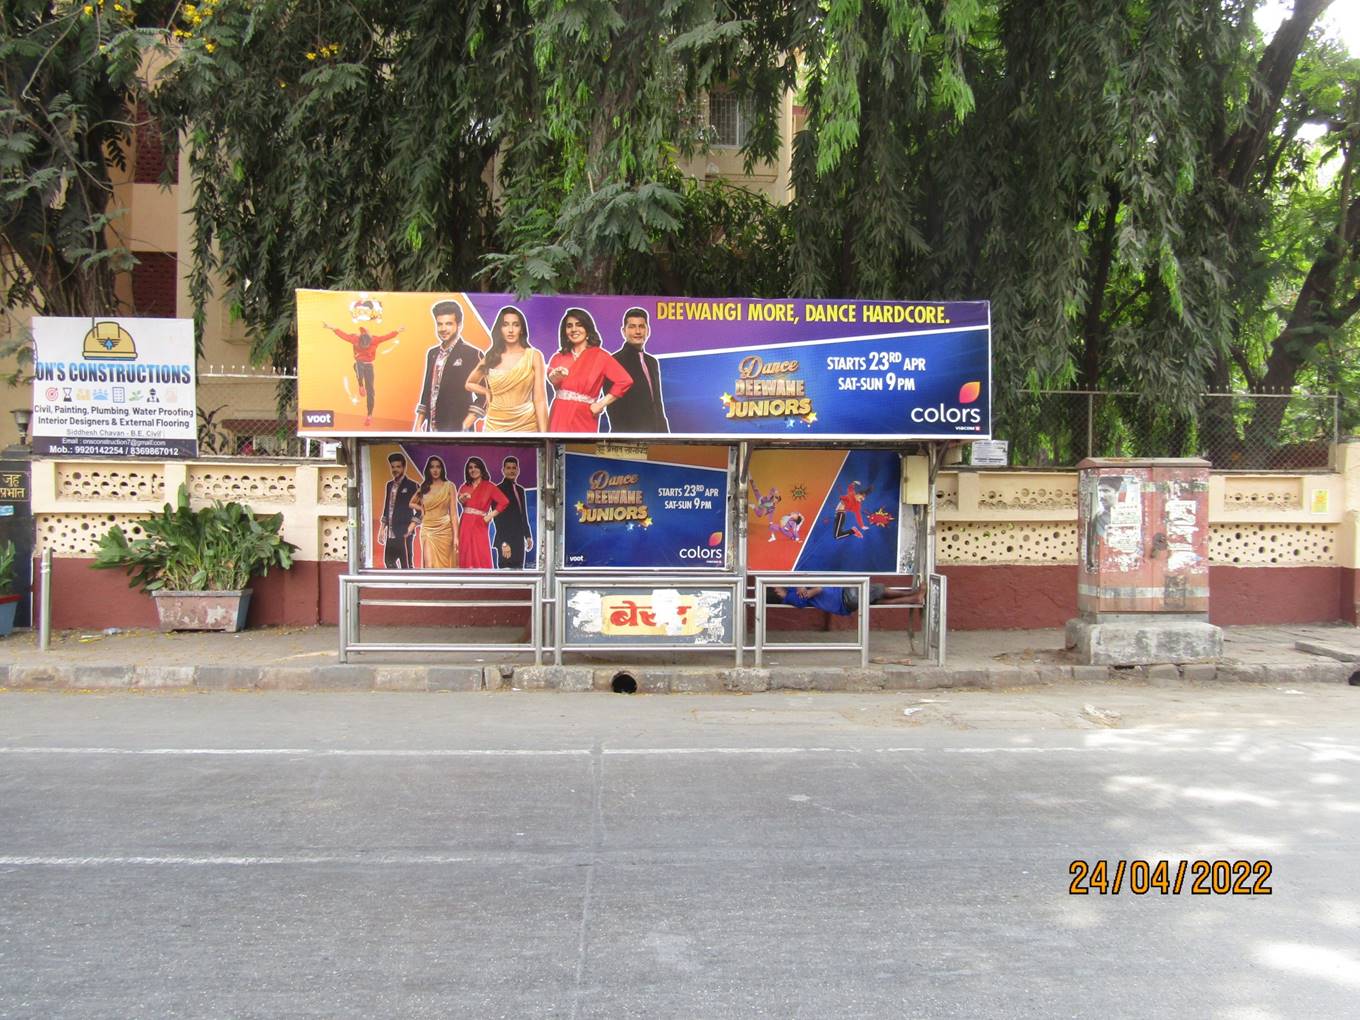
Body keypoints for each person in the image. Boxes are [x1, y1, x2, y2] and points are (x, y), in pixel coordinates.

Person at [546, 308, 633, 433]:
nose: (574, 329)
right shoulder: (558, 357)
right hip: (559, 413)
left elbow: (625, 381)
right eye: (569, 326)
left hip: (584, 415)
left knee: (582, 451)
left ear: (587, 329)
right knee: (557, 451)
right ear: (565, 331)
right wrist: (556, 375)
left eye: (579, 325)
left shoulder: (601, 356)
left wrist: (601, 404)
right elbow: (552, 379)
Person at [464, 306, 548, 433]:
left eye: (516, 325)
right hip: (495, 425)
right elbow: (469, 383)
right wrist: (486, 391)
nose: (510, 330)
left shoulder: (534, 356)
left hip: (526, 424)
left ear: (521, 329)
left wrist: (544, 436)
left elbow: (540, 399)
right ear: (499, 329)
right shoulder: (491, 357)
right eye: (505, 325)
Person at [413, 300, 484, 432]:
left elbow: (486, 394)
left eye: (449, 324)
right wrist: (418, 424)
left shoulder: (472, 354)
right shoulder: (433, 353)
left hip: (458, 431)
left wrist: (465, 424)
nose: (443, 329)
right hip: (432, 429)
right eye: (439, 324)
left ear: (459, 325)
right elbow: (427, 389)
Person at [322, 321, 405, 425]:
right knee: (357, 365)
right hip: (359, 363)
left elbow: (387, 336)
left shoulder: (375, 340)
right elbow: (342, 334)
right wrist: (330, 326)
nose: (364, 348)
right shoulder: (355, 339)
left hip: (369, 365)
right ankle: (361, 385)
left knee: (371, 391)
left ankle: (369, 415)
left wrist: (398, 331)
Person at [604, 307, 668, 433]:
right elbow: (613, 407)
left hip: (656, 435)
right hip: (630, 437)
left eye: (641, 326)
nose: (638, 331)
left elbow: (657, 403)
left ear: (648, 330)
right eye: (632, 326)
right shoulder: (614, 361)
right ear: (623, 331)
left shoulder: (652, 362)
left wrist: (665, 435)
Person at [457, 456, 510, 569]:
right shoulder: (464, 486)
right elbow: (461, 501)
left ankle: (483, 583)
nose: (473, 469)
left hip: (480, 523)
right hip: (465, 522)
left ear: (481, 469)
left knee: (480, 552)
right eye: (470, 467)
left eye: (476, 467)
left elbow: (504, 502)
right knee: (465, 551)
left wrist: (490, 515)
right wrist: (462, 499)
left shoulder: (489, 486)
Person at [408, 455, 457, 569]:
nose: (435, 470)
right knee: (429, 565)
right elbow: (411, 503)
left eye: (438, 467)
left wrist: (456, 537)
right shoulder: (424, 487)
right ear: (428, 470)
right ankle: (430, 587)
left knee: (445, 566)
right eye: (432, 467)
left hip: (445, 530)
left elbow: (454, 514)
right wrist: (421, 508)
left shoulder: (449, 486)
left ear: (442, 469)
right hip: (428, 529)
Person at [377, 452, 419, 569]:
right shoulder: (389, 485)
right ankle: (397, 586)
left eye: (398, 467)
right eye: (393, 467)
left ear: (404, 467)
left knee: (406, 564)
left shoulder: (412, 486)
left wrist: (411, 527)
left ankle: (410, 586)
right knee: (388, 561)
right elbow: (387, 507)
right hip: (391, 532)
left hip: (404, 532)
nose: (395, 469)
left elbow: (422, 509)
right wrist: (381, 530)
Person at [494, 456, 533, 569]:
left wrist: (528, 535)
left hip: (519, 539)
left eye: (514, 468)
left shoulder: (520, 490)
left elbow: (523, 514)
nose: (511, 471)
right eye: (508, 468)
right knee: (505, 574)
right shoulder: (498, 489)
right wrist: (504, 542)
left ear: (518, 470)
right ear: (503, 470)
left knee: (519, 572)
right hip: (505, 540)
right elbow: (497, 519)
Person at [767, 583, 888, 615]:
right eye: (774, 588)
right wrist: (804, 587)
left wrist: (800, 584)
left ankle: (907, 597)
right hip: (842, 598)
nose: (776, 587)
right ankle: (907, 594)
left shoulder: (791, 586)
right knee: (878, 590)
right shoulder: (791, 597)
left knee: (877, 599)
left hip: (841, 597)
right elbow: (819, 589)